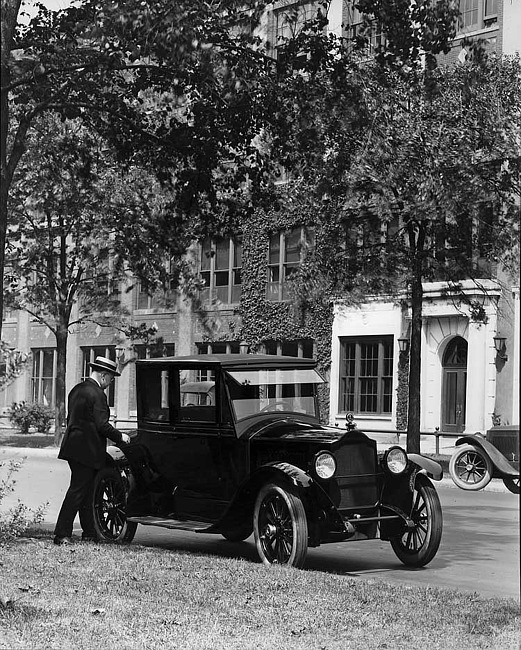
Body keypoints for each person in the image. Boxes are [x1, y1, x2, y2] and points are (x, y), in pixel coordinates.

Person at [53, 356, 130, 545]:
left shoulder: (77, 390)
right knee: (78, 491)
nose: (110, 383)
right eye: (111, 379)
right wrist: (121, 437)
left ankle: (89, 533)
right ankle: (62, 533)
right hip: (87, 450)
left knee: (86, 492)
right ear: (103, 376)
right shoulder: (97, 394)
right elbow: (102, 425)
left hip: (73, 447)